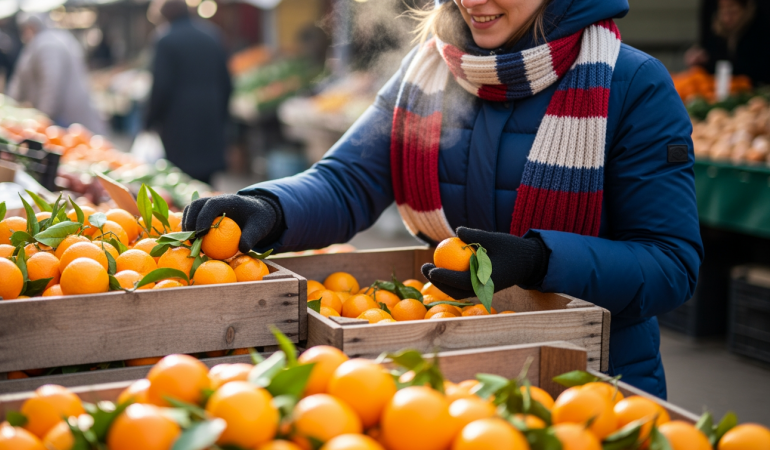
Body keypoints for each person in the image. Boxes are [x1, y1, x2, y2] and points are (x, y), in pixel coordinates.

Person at [182, 0, 703, 398]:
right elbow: (347, 181)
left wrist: (541, 260)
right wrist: (271, 207)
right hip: (448, 374)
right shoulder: (427, 72)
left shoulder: (633, 85)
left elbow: (671, 262)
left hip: (590, 382)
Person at [145, 0, 233, 183]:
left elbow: (161, 87)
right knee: (206, 182)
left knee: (180, 183)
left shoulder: (165, 40)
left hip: (178, 124)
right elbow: (227, 82)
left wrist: (149, 121)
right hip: (209, 117)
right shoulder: (212, 34)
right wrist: (221, 115)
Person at [7, 14, 105, 134]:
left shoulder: (48, 45)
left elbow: (51, 86)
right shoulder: (49, 40)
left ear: (32, 26)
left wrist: (41, 121)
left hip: (66, 120)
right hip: (66, 119)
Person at [685, 0, 770, 85]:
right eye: (723, 13)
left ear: (745, 10)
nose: (727, 19)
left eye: (733, 12)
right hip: (718, 86)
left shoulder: (760, 25)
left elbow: (755, 67)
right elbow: (708, 51)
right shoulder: (715, 25)